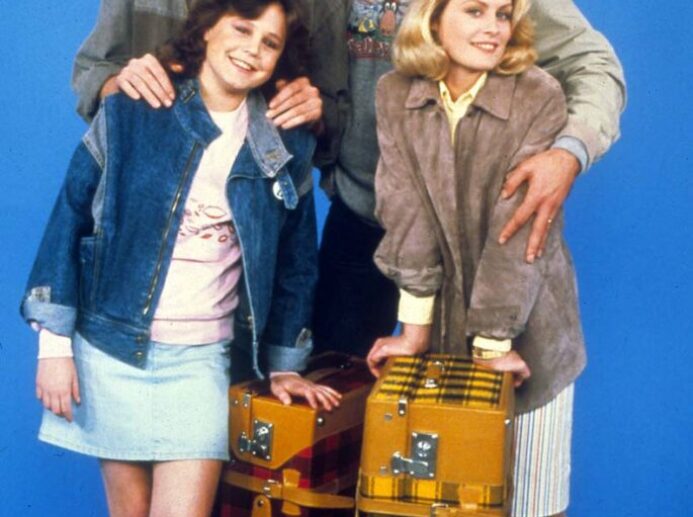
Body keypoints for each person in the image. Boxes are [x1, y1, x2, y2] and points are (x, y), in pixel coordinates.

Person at [72, 0, 625, 357]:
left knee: (488, 448)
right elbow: (231, 51)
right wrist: (301, 102)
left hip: (485, 244)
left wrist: (569, 153)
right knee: (337, 444)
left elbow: (593, 65)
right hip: (363, 227)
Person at [21, 1, 340, 515]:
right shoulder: (133, 109)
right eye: (242, 29)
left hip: (201, 360)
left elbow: (296, 266)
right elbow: (69, 218)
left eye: (270, 43)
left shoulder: (286, 141)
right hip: (112, 348)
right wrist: (53, 348)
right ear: (207, 29)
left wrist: (285, 366)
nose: (252, 50)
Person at [365, 0, 586, 515]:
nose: (493, 29)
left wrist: (491, 346)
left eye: (503, 15)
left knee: (529, 503)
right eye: (474, 11)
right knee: (451, 501)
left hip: (531, 339)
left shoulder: (539, 94)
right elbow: (405, 211)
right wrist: (414, 331)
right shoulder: (394, 92)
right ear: (433, 18)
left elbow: (518, 232)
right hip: (442, 334)